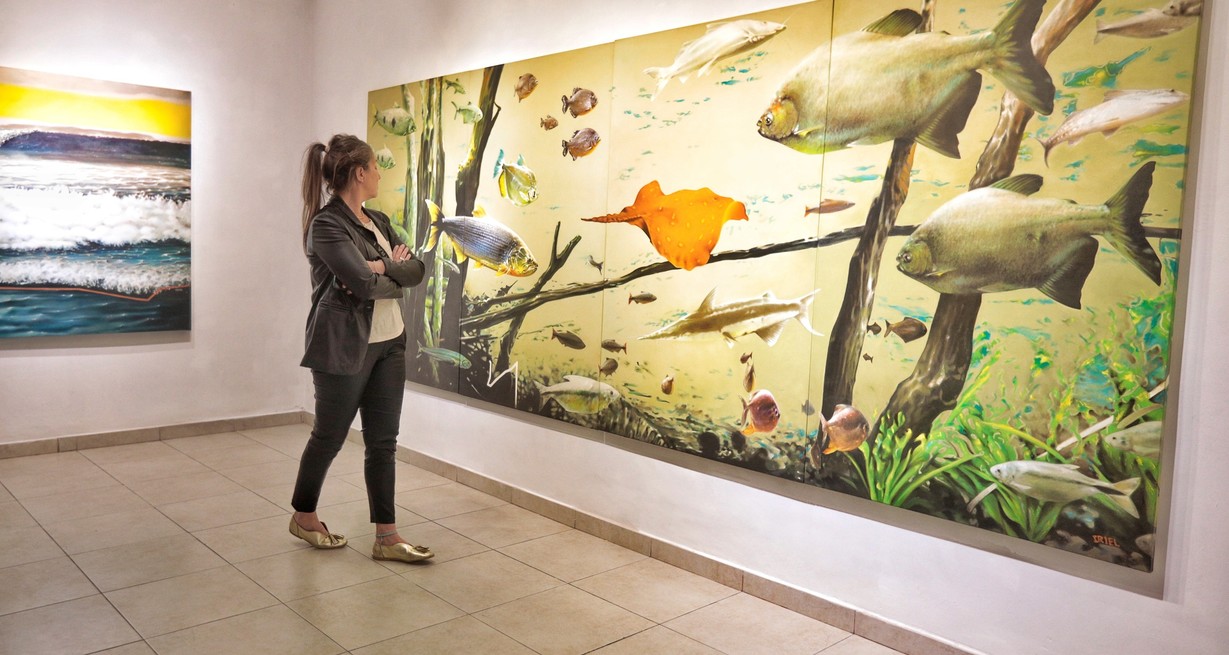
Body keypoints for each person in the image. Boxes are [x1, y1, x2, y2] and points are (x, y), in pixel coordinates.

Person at [289, 134, 432, 563]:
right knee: (329, 437)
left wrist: (383, 264)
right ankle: (304, 516)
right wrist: (389, 270)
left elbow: (417, 269)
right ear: (359, 173)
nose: (380, 175)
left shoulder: (379, 220)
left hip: (390, 343)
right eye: (375, 167)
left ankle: (387, 537)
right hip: (344, 347)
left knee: (383, 442)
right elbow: (364, 285)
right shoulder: (327, 225)